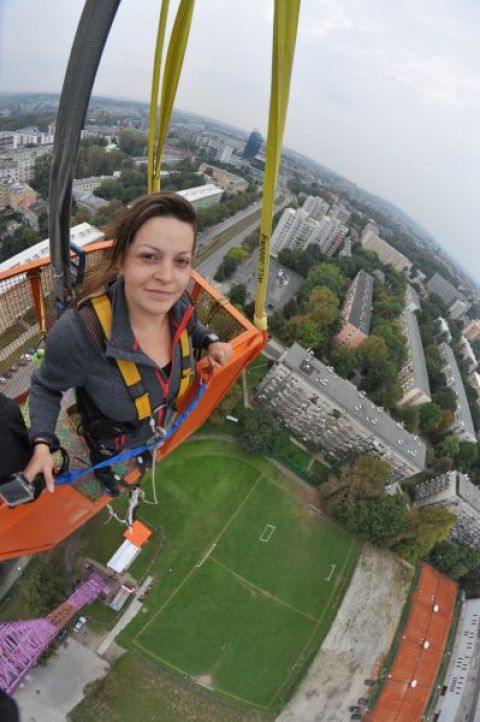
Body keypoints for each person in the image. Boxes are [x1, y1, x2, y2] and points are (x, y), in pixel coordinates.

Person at [24, 192, 233, 496]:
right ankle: (106, 477)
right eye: (149, 256)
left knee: (142, 442)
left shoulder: (180, 307)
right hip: (110, 438)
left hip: (151, 424)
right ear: (121, 259)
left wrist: (211, 341)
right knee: (104, 459)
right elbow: (46, 386)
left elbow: (193, 328)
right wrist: (42, 442)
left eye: (181, 262)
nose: (166, 276)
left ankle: (141, 451)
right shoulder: (81, 334)